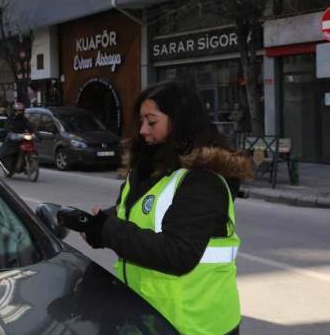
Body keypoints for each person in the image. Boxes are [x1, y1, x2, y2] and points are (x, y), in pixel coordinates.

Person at [58, 81, 253, 335]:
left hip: (195, 325)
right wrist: (100, 222)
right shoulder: (150, 167)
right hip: (149, 318)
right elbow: (135, 213)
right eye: (141, 121)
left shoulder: (202, 180)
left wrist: (108, 231)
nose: (142, 131)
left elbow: (177, 253)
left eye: (152, 122)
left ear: (180, 122)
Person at [0, 102, 35, 173]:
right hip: (13, 138)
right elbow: (7, 126)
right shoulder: (10, 118)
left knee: (30, 143)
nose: (19, 112)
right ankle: (9, 164)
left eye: (21, 110)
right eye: (18, 110)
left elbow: (30, 126)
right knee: (8, 150)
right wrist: (10, 131)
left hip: (21, 137)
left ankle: (25, 164)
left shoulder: (24, 119)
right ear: (14, 111)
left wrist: (36, 134)